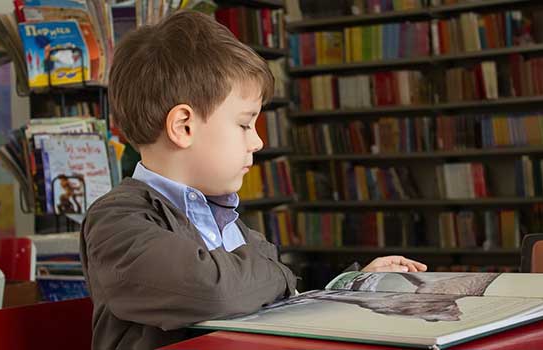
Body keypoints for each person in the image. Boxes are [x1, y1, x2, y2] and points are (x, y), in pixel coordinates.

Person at [80, 10, 427, 350]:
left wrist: (349, 283)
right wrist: (278, 273)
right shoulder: (116, 221)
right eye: (245, 124)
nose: (258, 142)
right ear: (183, 127)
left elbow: (264, 292)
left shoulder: (222, 216)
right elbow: (215, 290)